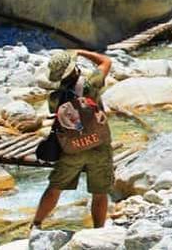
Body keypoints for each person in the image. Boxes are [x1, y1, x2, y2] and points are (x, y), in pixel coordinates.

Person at [32, 49, 113, 231]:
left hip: (71, 148)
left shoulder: (55, 97)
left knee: (55, 188)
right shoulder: (91, 83)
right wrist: (81, 52)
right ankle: (98, 232)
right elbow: (106, 61)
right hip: (99, 146)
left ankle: (36, 225)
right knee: (100, 193)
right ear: (74, 67)